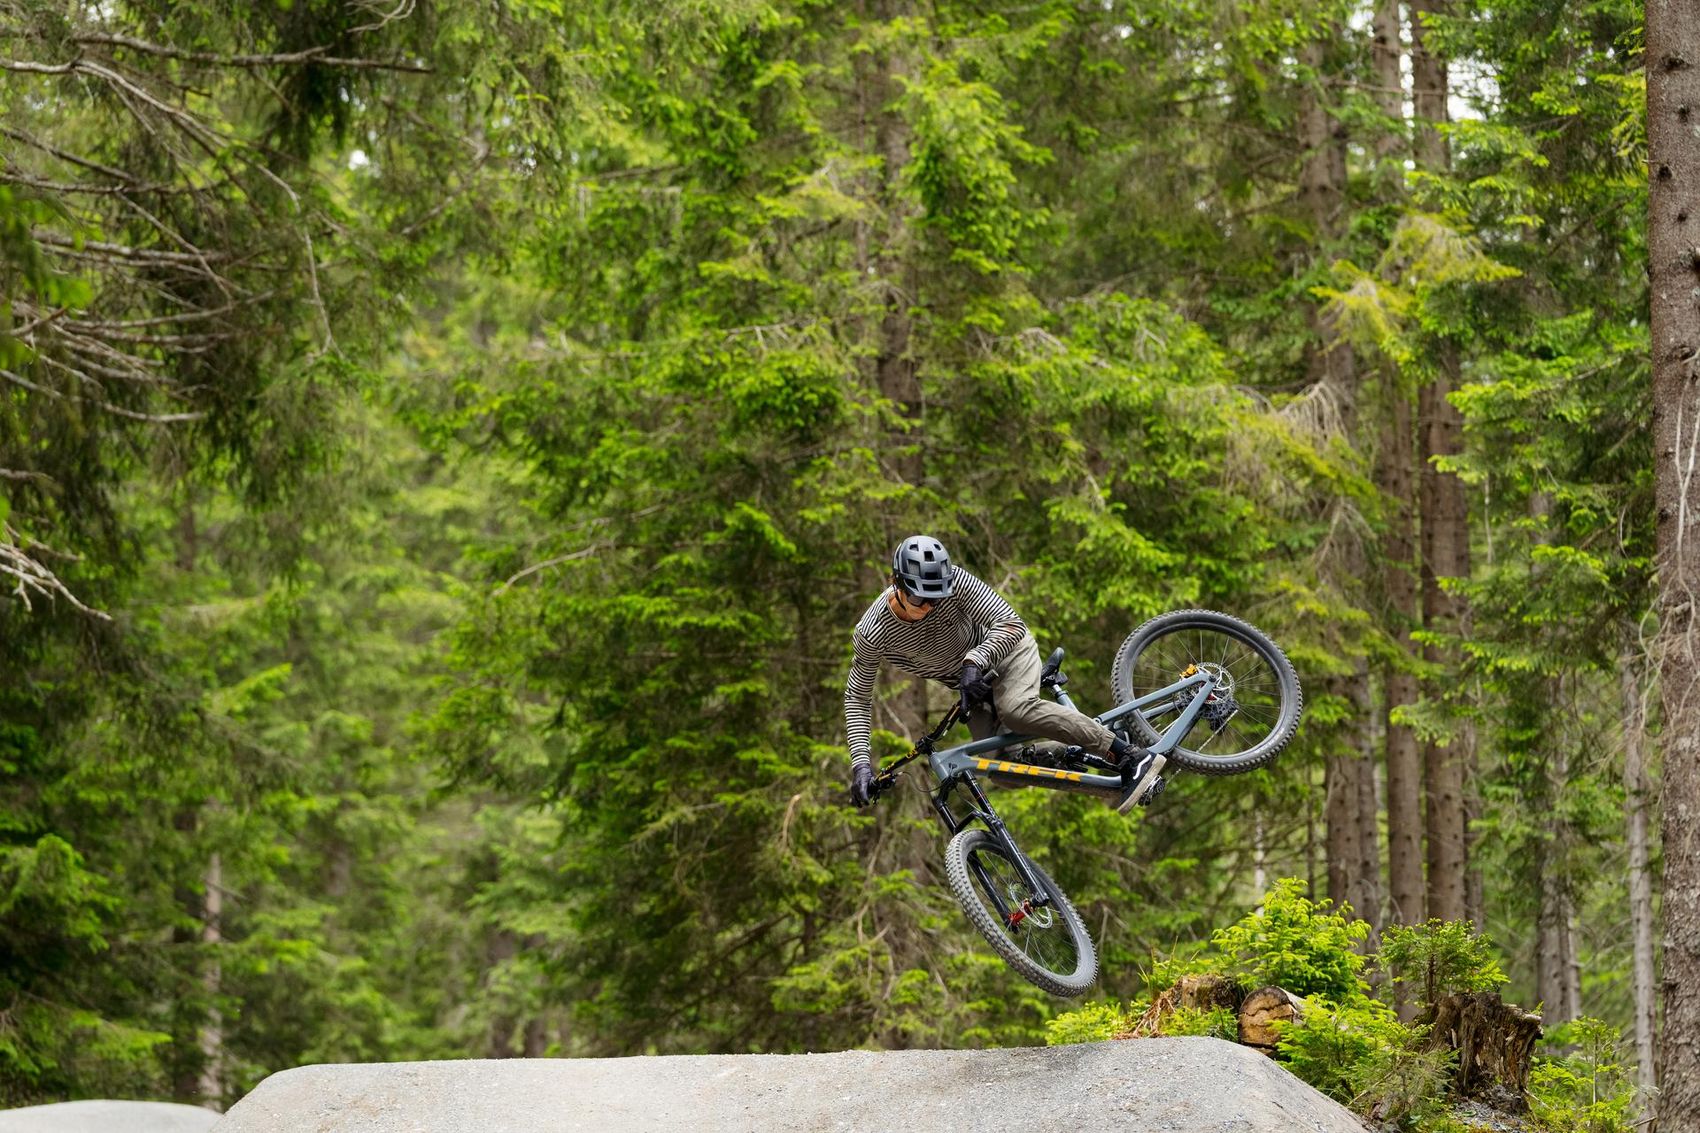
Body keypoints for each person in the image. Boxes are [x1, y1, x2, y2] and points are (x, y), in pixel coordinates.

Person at [844, 535, 1166, 812]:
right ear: (894, 582)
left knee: (1016, 710)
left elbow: (1011, 624)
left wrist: (974, 660)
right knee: (999, 769)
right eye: (919, 598)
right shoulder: (873, 633)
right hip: (973, 688)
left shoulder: (955, 581)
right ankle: (1083, 746)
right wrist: (860, 763)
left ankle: (1131, 757)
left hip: (1008, 653)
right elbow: (858, 698)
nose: (928, 606)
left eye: (935, 597)